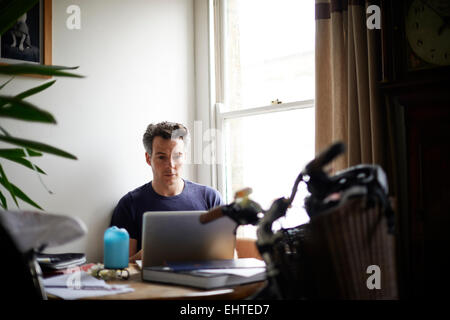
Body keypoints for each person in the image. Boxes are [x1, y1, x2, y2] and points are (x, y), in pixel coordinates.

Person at [110, 121, 224, 262]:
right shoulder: (129, 204)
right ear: (148, 158)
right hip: (152, 283)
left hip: (202, 279)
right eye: (161, 157)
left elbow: (230, 255)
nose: (170, 165)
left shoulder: (210, 198)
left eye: (177, 156)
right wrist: (147, 254)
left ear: (185, 156)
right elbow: (119, 268)